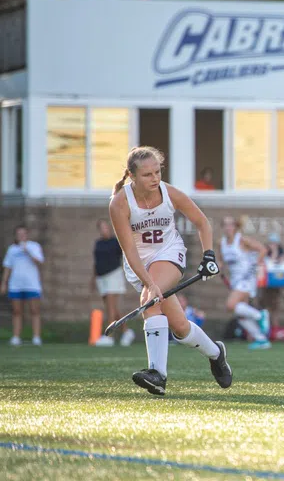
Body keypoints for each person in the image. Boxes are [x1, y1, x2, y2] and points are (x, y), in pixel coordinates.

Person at [109, 146, 231, 396]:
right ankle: (216, 353)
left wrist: (209, 255)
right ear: (132, 176)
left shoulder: (170, 193)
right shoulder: (120, 203)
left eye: (157, 172)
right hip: (138, 265)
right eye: (147, 175)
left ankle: (158, 375)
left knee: (150, 301)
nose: (155, 179)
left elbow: (202, 223)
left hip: (169, 253)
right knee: (180, 328)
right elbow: (130, 251)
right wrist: (148, 281)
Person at [220, 216, 271, 350]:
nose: (228, 228)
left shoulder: (242, 240)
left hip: (246, 279)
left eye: (230, 225)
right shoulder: (222, 243)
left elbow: (263, 250)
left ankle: (260, 315)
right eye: (225, 225)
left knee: (230, 305)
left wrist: (254, 266)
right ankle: (261, 340)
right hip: (235, 281)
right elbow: (221, 262)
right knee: (241, 314)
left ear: (235, 227)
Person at [92, 219, 134, 347]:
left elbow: (126, 256)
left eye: (106, 227)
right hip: (101, 278)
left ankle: (109, 337)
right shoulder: (98, 243)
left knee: (110, 307)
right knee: (112, 308)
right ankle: (126, 332)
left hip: (114, 275)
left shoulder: (116, 242)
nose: (104, 230)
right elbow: (96, 262)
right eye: (101, 228)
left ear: (109, 228)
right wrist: (93, 279)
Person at [1, 225, 44, 346]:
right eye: (19, 234)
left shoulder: (34, 246)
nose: (21, 236)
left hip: (32, 284)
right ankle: (16, 337)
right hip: (16, 284)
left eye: (23, 234)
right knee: (16, 311)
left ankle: (36, 337)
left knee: (35, 310)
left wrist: (28, 251)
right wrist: (4, 283)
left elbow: (39, 262)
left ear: (27, 234)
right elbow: (7, 267)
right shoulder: (12, 249)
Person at [260, 232, 284, 328]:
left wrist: (276, 253)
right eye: (271, 243)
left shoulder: (281, 251)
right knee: (264, 303)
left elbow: (281, 263)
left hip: (276, 284)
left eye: (275, 243)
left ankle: (275, 325)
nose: (273, 245)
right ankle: (265, 324)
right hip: (266, 283)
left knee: (275, 304)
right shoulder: (265, 251)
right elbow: (268, 263)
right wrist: (273, 252)